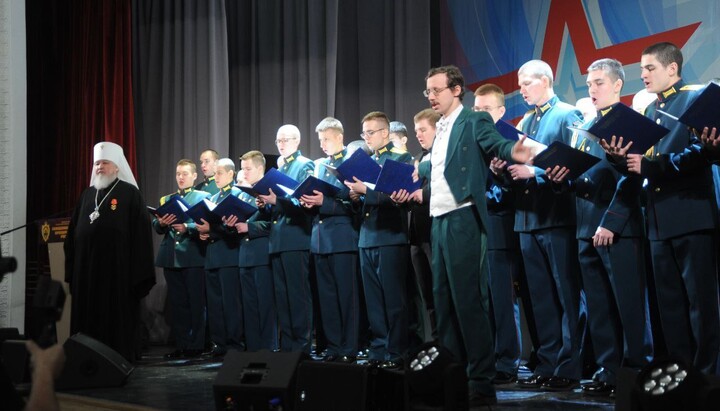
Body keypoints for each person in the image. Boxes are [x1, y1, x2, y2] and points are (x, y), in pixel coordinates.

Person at [393, 65, 537, 406]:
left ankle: (481, 381)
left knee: (469, 301)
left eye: (437, 90)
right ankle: (453, 375)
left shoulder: (473, 121)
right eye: (427, 90)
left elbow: (493, 143)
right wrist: (420, 168)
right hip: (438, 220)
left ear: (457, 90)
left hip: (463, 218)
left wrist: (512, 152)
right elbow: (437, 163)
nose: (431, 96)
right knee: (443, 303)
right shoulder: (440, 127)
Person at [603, 42, 720, 375]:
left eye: (649, 68)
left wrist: (650, 166)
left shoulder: (696, 100)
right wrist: (617, 155)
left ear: (672, 68)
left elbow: (700, 154)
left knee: (701, 304)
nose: (642, 75)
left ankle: (707, 376)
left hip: (692, 215)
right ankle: (679, 374)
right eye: (641, 69)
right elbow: (636, 166)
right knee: (668, 306)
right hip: (656, 219)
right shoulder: (651, 111)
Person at [547, 58, 653, 396]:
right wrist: (561, 178)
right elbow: (584, 177)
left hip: (617, 229)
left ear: (618, 84)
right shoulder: (587, 125)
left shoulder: (632, 123)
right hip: (585, 227)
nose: (592, 89)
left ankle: (635, 373)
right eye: (589, 84)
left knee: (629, 306)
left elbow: (633, 180)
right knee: (599, 306)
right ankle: (609, 372)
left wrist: (612, 223)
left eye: (599, 83)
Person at [500, 60, 585, 392]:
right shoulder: (525, 120)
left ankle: (570, 364)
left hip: (556, 217)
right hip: (527, 219)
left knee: (567, 294)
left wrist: (534, 172)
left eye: (527, 83)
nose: (521, 89)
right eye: (519, 84)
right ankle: (548, 361)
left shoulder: (566, 114)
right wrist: (502, 167)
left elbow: (574, 165)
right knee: (540, 298)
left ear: (547, 81)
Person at [64, 141, 156, 362]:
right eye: (96, 163)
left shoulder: (130, 194)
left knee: (115, 318)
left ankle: (118, 357)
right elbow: (72, 236)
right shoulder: (87, 195)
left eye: (104, 163)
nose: (99, 167)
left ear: (116, 167)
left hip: (118, 275)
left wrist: (139, 274)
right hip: (87, 273)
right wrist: (73, 272)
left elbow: (141, 238)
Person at [345, 111, 413, 369]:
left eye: (370, 133)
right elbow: (366, 199)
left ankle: (396, 351)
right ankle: (379, 350)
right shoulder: (367, 160)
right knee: (373, 300)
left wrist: (367, 192)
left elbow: (398, 196)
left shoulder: (401, 157)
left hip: (390, 236)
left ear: (385, 133)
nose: (367, 138)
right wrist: (357, 196)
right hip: (367, 237)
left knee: (393, 299)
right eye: (364, 133)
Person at [474, 83, 524, 385]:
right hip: (477, 227)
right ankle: (489, 357)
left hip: (501, 226)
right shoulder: (473, 138)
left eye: (486, 110)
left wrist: (498, 173)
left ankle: (507, 360)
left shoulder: (508, 138)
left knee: (503, 300)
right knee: (484, 300)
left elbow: (513, 190)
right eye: (476, 110)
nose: (480, 116)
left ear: (501, 112)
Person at [299, 117, 360, 363]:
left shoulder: (352, 161)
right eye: (320, 140)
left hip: (344, 237)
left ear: (339, 137)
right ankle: (334, 346)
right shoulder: (319, 163)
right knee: (327, 298)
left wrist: (327, 203)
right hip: (320, 239)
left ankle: (349, 348)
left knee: (347, 297)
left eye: (326, 139)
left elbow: (355, 205)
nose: (323, 144)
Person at [257, 125, 315, 353]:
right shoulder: (280, 166)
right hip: (278, 239)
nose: (281, 144)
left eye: (286, 140)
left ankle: (301, 347)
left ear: (297, 141)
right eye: (278, 140)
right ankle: (288, 346)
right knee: (283, 297)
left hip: (296, 238)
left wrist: (277, 201)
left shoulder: (304, 165)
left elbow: (304, 203)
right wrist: (266, 204)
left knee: (298, 296)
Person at [152, 159, 210, 359]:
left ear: (194, 176)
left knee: (196, 303)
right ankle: (183, 343)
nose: (181, 177)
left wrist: (189, 228)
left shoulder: (203, 195)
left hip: (193, 256)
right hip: (171, 257)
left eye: (185, 173)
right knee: (178, 305)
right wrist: (160, 222)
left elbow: (207, 222)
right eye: (178, 174)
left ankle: (197, 344)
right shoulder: (167, 198)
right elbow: (157, 227)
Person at [196, 158, 244, 356]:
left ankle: (234, 342)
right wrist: (203, 232)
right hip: (212, 255)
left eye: (220, 173)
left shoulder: (237, 195)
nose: (215, 177)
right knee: (215, 303)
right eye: (214, 173)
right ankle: (219, 342)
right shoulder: (213, 197)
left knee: (230, 303)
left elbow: (233, 228)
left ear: (231, 174)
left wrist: (212, 229)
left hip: (229, 254)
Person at [230, 151, 277, 351]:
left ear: (260, 168)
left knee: (265, 306)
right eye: (242, 169)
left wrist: (251, 228)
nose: (244, 172)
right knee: (249, 307)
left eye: (248, 169)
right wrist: (228, 222)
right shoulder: (241, 192)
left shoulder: (270, 191)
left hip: (262, 254)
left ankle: (268, 348)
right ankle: (253, 349)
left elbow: (276, 224)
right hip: (245, 255)